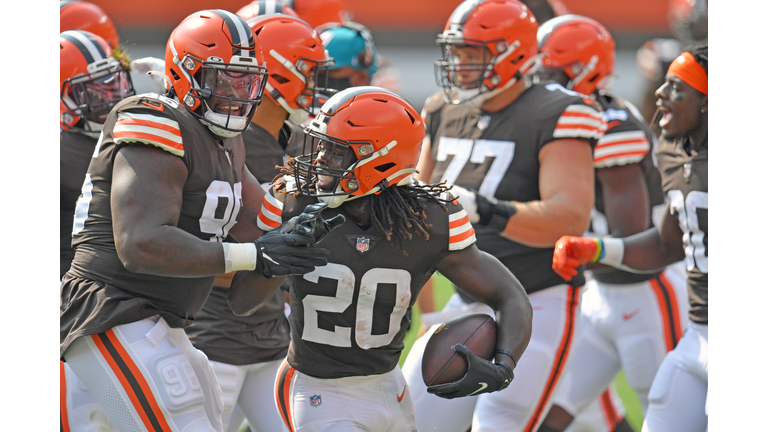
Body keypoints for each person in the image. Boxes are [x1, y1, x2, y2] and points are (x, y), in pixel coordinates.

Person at [60, 10, 333, 432]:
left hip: (161, 319)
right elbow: (140, 243)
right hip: (111, 309)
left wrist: (301, 224)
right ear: (186, 73)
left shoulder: (228, 142)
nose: (237, 94)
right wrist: (255, 255)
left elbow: (253, 265)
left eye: (246, 82)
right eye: (224, 80)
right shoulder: (154, 118)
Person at [227, 86, 533, 432]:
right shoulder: (294, 203)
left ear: (380, 160)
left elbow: (509, 295)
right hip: (316, 388)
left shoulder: (428, 219)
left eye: (337, 151)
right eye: (322, 145)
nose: (320, 159)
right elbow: (241, 303)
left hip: (390, 388)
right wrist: (278, 254)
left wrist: (505, 363)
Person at [400, 1, 607, 431]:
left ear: (513, 53)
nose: (458, 64)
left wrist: (486, 210)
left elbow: (569, 218)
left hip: (538, 299)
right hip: (465, 298)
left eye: (471, 54)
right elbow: (413, 210)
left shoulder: (558, 111)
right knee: (409, 422)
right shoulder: (442, 109)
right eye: (454, 52)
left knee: (501, 424)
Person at [532, 15, 689, 432]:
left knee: (670, 417)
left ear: (584, 72)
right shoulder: (571, 121)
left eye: (547, 74)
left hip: (645, 295)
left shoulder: (611, 127)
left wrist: (544, 251)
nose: (538, 85)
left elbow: (629, 237)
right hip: (598, 296)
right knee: (548, 414)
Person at [183, 13, 334, 432]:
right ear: (279, 71)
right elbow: (204, 252)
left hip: (272, 334)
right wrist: (273, 256)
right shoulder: (227, 143)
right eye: (308, 71)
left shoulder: (301, 141)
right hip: (214, 334)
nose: (316, 84)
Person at [60, 28, 136, 432]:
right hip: (73, 308)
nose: (112, 99)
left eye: (113, 83)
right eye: (95, 91)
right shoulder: (63, 153)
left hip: (104, 304)